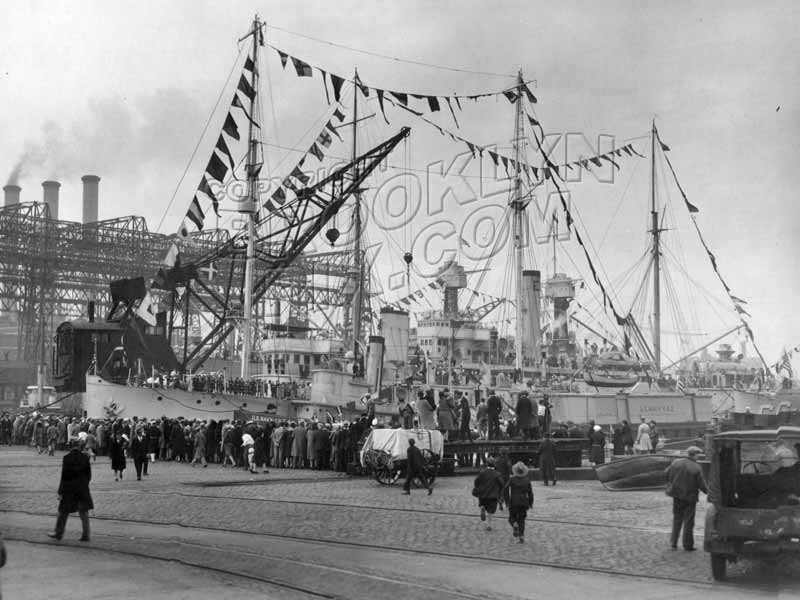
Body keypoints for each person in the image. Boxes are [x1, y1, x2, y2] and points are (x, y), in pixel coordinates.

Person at [48, 439, 93, 542]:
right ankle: (86, 535)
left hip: (69, 489)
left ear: (71, 447)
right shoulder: (85, 458)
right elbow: (89, 475)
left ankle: (58, 533)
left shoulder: (67, 458)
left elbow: (64, 476)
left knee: (63, 512)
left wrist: (60, 491)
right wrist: (84, 484)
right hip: (82, 488)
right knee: (84, 512)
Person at [664, 446, 708, 551]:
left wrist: (672, 483)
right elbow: (702, 485)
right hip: (690, 497)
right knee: (689, 521)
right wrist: (709, 492)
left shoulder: (676, 463)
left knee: (677, 519)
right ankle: (688, 545)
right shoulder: (696, 467)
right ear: (695, 454)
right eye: (698, 454)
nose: (699, 456)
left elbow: (666, 474)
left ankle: (673, 543)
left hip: (677, 495)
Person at [504, 461, 534, 544]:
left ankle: (514, 524)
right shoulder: (527, 480)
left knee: (511, 517)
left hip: (513, 501)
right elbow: (530, 493)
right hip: (524, 502)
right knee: (522, 519)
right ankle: (521, 536)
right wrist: (530, 503)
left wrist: (506, 499)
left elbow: (505, 488)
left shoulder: (512, 479)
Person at [472, 457, 505, 531]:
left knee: (482, 504)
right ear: (494, 465)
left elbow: (476, 481)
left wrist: (478, 487)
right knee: (490, 511)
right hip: (493, 495)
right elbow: (502, 484)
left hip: (483, 494)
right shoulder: (497, 474)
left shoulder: (482, 472)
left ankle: (482, 508)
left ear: (487, 464)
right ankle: (489, 525)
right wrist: (500, 492)